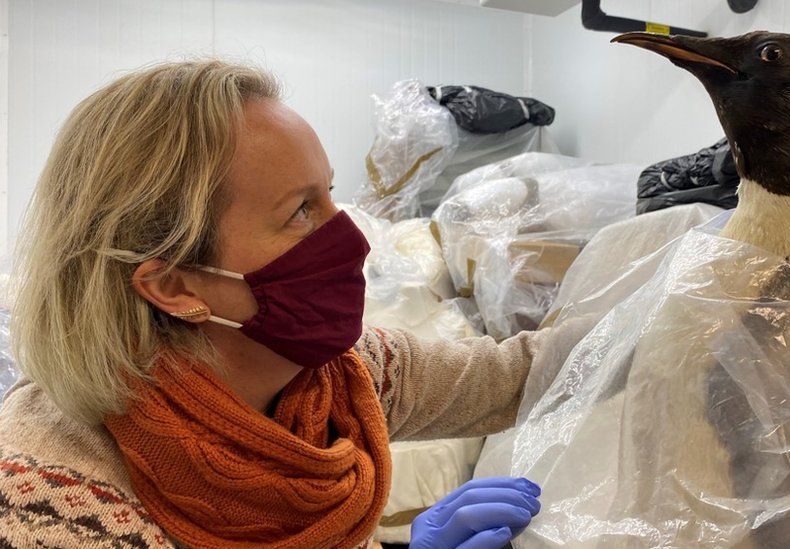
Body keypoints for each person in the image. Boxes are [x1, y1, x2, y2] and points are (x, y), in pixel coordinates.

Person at [0, 61, 570, 548]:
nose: (353, 238)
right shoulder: (50, 506)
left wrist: (657, 293)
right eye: (300, 211)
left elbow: (524, 373)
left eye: (328, 194)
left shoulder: (339, 383)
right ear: (175, 286)